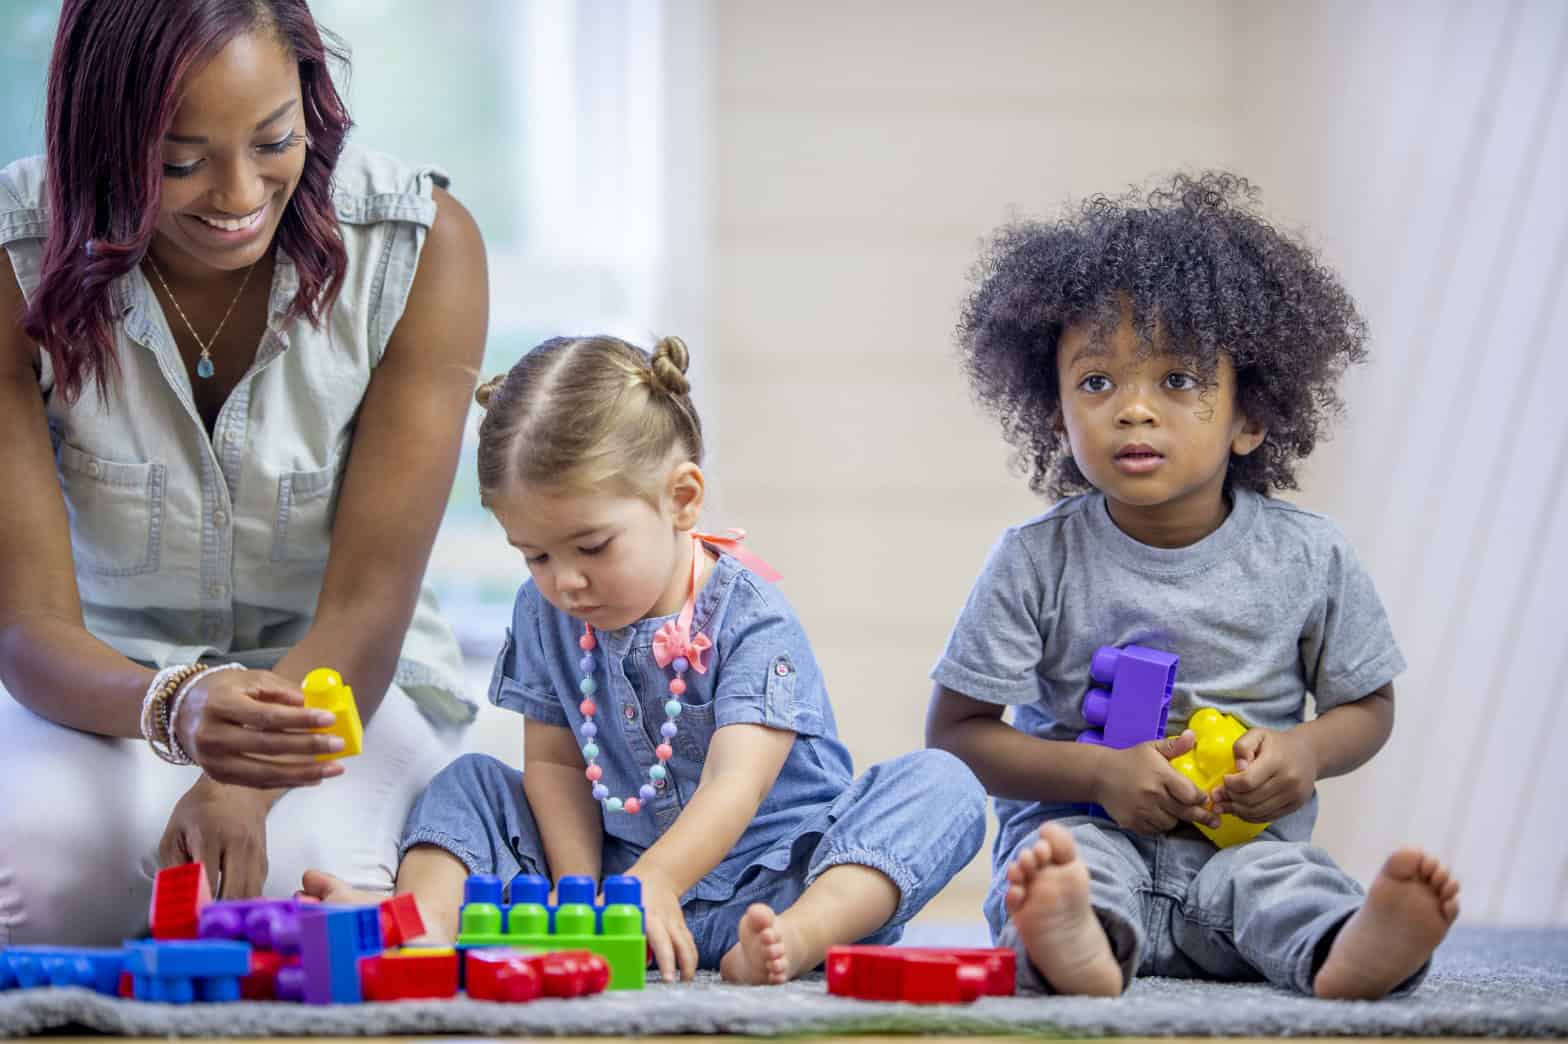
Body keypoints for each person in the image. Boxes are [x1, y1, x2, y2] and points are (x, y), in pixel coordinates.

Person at [0, 0, 487, 946]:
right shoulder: (12, 260)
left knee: (310, 907)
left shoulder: (419, 250)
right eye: (180, 160)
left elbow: (366, 612)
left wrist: (241, 776)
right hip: (106, 683)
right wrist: (174, 705)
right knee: (49, 887)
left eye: (274, 140)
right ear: (97, 140)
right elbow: (28, 628)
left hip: (346, 682)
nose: (237, 194)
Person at [304, 334, 987, 984]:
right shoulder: (544, 610)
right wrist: (587, 903)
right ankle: (419, 923)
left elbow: (734, 783)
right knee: (472, 782)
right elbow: (553, 764)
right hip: (619, 883)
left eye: (592, 547)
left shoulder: (750, 617)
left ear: (682, 499)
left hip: (770, 879)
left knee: (940, 784)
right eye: (535, 555)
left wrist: (656, 882)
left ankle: (801, 937)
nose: (564, 580)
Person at [925, 173, 1460, 1000]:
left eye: (1177, 381)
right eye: (1097, 383)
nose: (1132, 411)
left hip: (1243, 853)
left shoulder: (1308, 557)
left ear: (1251, 416)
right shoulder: (1036, 559)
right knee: (1064, 874)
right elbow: (958, 734)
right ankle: (1077, 944)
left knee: (1290, 888)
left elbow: (1371, 707)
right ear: (1055, 415)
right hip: (1086, 833)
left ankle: (1351, 951)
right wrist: (1096, 777)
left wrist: (1306, 752)